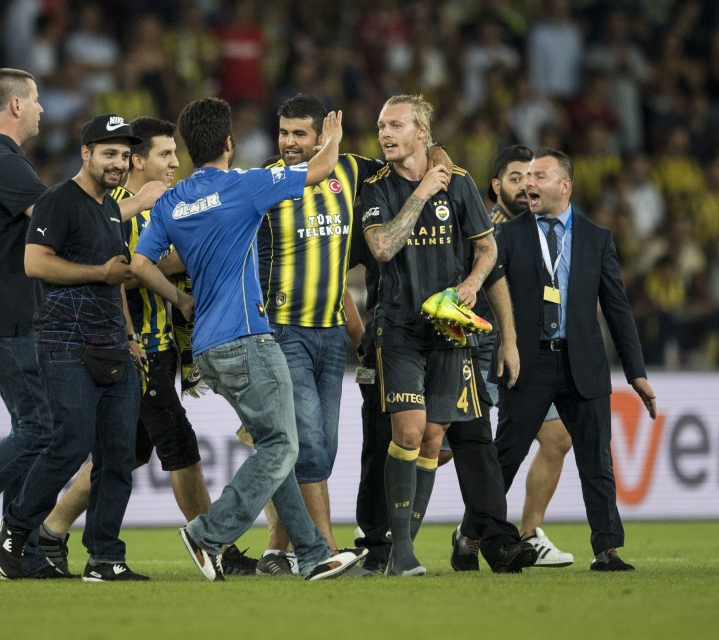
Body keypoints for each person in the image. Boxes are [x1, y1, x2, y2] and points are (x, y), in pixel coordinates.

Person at [0, 69, 159, 579]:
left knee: (37, 428)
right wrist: (137, 203)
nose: (44, 109)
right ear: (17, 106)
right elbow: (66, 219)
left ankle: (17, 547)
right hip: (7, 315)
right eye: (37, 100)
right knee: (44, 427)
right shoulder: (0, 162)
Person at [130, 97, 364, 581]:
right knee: (283, 448)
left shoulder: (173, 200)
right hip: (248, 336)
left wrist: (179, 298)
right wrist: (334, 139)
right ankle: (208, 532)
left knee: (273, 449)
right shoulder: (244, 185)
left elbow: (137, 262)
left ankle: (313, 553)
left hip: (206, 347)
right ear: (230, 144)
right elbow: (319, 171)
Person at [37, 117, 256, 576]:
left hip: (160, 347)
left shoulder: (166, 203)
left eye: (176, 154)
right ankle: (212, 544)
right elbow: (129, 270)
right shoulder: (114, 207)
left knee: (128, 454)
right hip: (136, 349)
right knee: (181, 445)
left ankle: (50, 532)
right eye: (165, 154)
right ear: (138, 160)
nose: (175, 162)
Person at [359, 94, 535, 576]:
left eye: (395, 124)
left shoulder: (458, 185)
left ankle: (401, 550)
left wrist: (473, 284)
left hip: (451, 330)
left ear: (422, 131)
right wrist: (420, 194)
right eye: (381, 125)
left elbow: (486, 249)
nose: (385, 134)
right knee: (409, 430)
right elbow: (381, 248)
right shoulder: (375, 188)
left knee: (435, 441)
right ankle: (404, 553)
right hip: (398, 328)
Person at [0, 113, 162, 582]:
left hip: (113, 345)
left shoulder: (109, 208)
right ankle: (17, 527)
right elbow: (34, 264)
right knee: (69, 444)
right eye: (108, 153)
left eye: (124, 155)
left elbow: (118, 277)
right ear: (85, 153)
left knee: (117, 456)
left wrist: (130, 337)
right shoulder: (57, 201)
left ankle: (105, 556)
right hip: (65, 343)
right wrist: (100, 274)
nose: (118, 162)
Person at [488, 147, 656, 571]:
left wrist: (636, 372)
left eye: (538, 176)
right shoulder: (507, 236)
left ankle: (607, 548)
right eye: (525, 177)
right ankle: (474, 535)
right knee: (505, 456)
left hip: (583, 363)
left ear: (564, 185)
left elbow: (617, 308)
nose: (528, 184)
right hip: (528, 362)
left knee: (596, 460)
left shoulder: (597, 239)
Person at [251, 93, 385, 574]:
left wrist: (439, 162)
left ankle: (276, 550)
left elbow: (406, 161)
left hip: (330, 335)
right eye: (283, 132)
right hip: (283, 332)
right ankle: (323, 548)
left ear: (320, 134)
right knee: (307, 443)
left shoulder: (352, 171)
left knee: (320, 446)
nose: (288, 142)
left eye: (299, 134)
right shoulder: (267, 180)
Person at [452, 145, 574, 570]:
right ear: (496, 185)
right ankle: (391, 527)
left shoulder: (541, 227)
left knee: (556, 439)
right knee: (457, 447)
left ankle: (523, 533)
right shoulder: (483, 226)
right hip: (487, 346)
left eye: (533, 177)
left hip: (526, 348)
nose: (526, 185)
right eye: (516, 178)